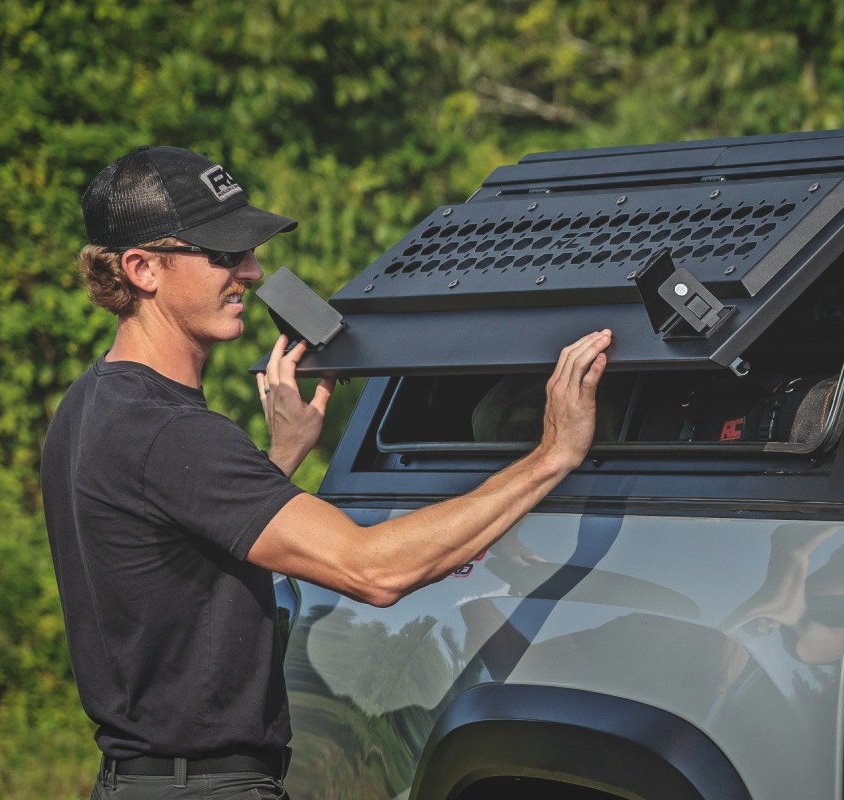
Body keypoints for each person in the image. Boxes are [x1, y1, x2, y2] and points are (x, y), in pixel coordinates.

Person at [41, 145, 611, 799]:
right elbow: (373, 570)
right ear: (143, 268)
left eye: (249, 251)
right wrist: (551, 456)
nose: (251, 272)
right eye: (225, 254)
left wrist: (281, 457)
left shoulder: (92, 404)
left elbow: (181, 556)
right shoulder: (170, 432)